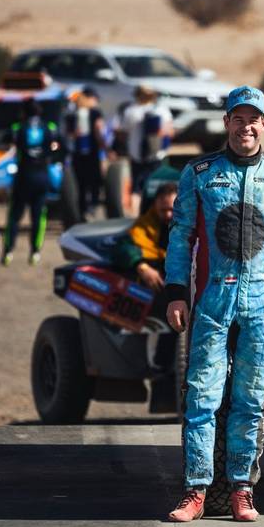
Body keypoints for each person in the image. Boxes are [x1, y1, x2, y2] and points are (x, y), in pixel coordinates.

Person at [162, 86, 264, 523]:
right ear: (226, 122)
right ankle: (196, 490)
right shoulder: (200, 172)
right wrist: (175, 293)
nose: (245, 126)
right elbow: (181, 236)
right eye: (237, 118)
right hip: (211, 300)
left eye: (253, 119)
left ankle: (242, 489)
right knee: (202, 397)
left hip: (263, 304)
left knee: (250, 400)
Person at [112, 172, 178, 412]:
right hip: (153, 300)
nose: (168, 215)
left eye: (173, 210)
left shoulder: (189, 226)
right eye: (163, 211)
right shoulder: (144, 226)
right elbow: (124, 247)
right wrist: (142, 266)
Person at [1, 99, 60, 266]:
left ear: (24, 112)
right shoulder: (50, 127)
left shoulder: (18, 127)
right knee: (38, 217)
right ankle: (35, 253)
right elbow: (60, 145)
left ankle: (8, 252)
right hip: (42, 177)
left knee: (14, 217)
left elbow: (6, 138)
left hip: (23, 178)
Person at [122, 84, 174, 193]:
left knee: (136, 188)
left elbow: (124, 132)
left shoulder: (130, 111)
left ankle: (138, 207)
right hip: (157, 154)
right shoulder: (162, 110)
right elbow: (169, 132)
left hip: (136, 154)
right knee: (157, 188)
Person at [67, 87, 107, 218]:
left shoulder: (72, 114)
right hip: (92, 153)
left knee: (81, 184)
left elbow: (70, 135)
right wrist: (105, 147)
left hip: (77, 154)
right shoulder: (95, 113)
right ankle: (93, 206)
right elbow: (98, 131)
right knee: (95, 181)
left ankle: (82, 211)